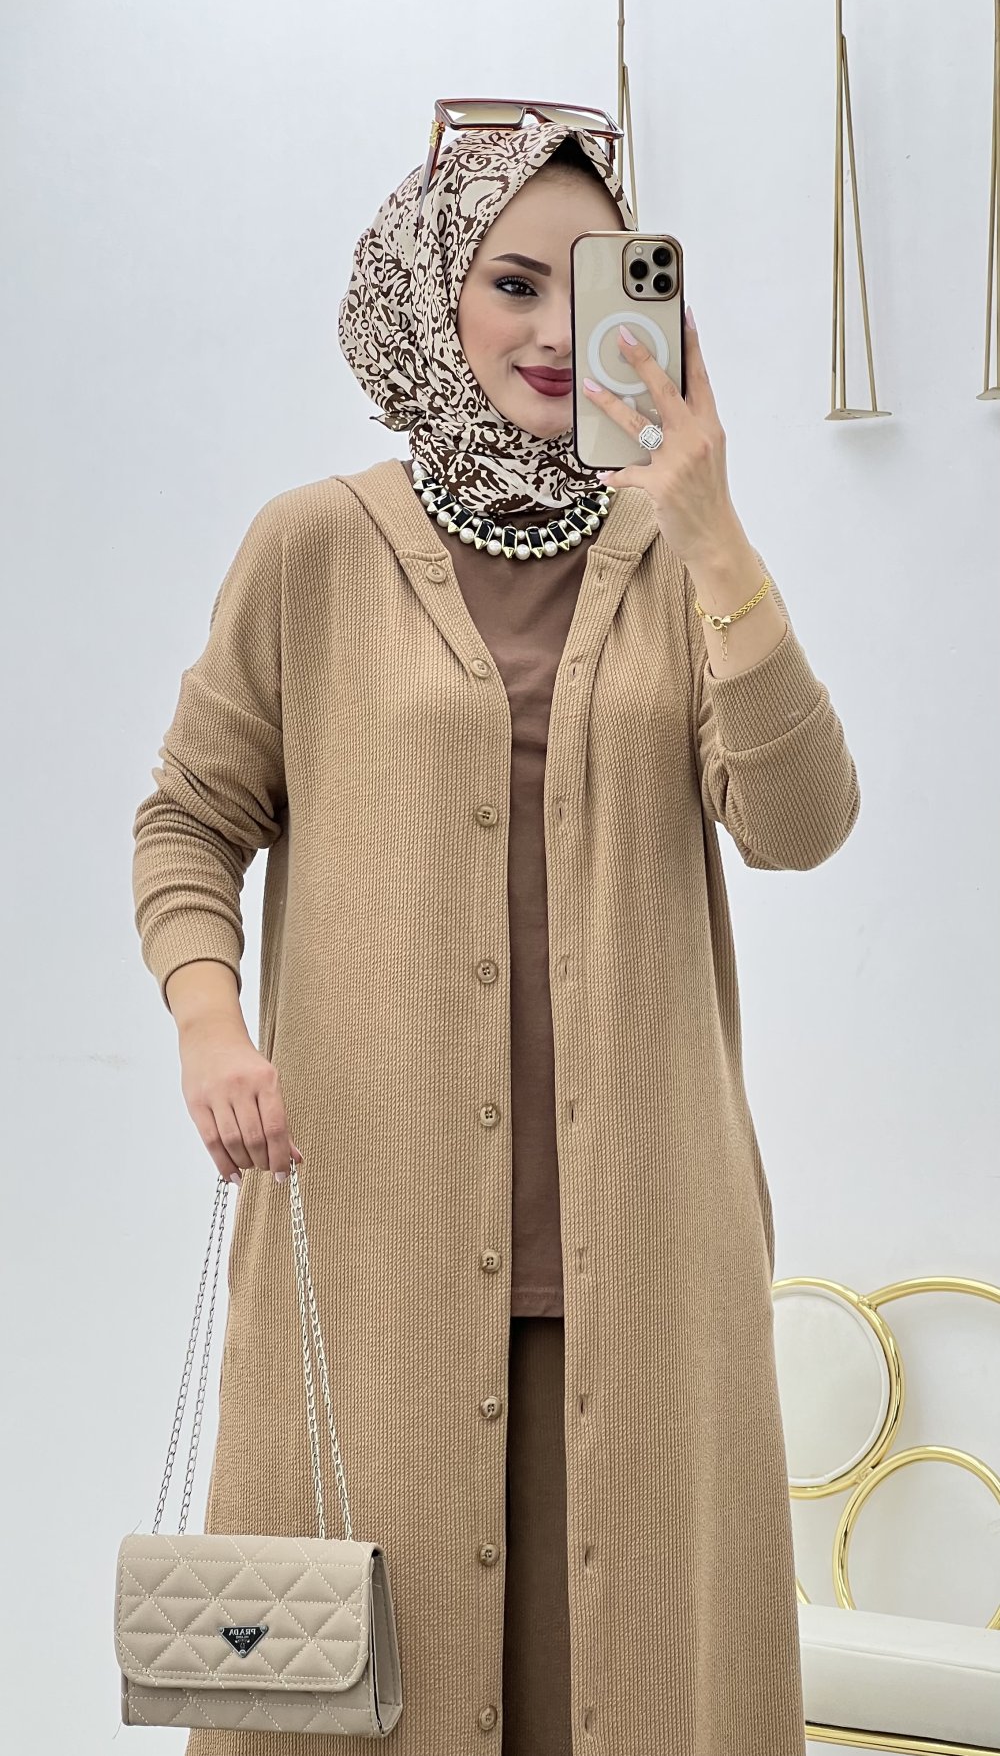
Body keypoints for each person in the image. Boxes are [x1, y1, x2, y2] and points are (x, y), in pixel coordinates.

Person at [131, 118, 860, 1756]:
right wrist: (210, 1024)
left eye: (594, 287)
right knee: (351, 1699)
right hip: (370, 1252)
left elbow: (802, 820)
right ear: (431, 294)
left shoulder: (671, 562)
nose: (551, 328)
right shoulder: (313, 549)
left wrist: (713, 524)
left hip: (647, 1262)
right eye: (512, 281)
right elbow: (189, 815)